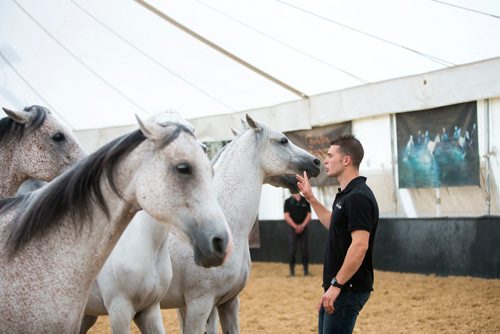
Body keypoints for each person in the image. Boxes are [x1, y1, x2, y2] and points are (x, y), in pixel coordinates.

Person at [296, 134, 379, 334]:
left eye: (330, 155)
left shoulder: (358, 197)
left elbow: (360, 245)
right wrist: (311, 199)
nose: (325, 160)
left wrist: (337, 285)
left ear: (346, 160)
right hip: (339, 286)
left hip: (347, 288)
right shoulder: (347, 194)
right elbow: (332, 223)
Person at [284, 193, 312, 277]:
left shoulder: (305, 200)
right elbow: (286, 216)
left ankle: (306, 272)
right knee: (292, 250)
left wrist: (302, 226)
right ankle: (292, 272)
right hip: (292, 229)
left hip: (304, 229)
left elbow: (309, 215)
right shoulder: (288, 201)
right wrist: (296, 226)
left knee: (304, 250)